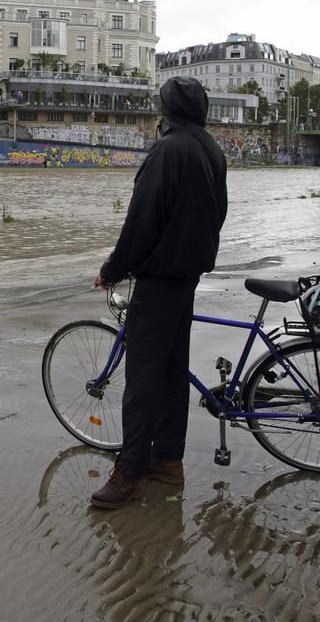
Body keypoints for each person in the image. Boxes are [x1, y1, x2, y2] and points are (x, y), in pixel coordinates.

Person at [90, 76, 228, 510]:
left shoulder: (168, 151)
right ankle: (168, 461)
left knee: (143, 381)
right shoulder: (210, 147)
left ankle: (129, 471)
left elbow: (141, 221)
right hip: (187, 275)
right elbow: (218, 212)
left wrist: (113, 269)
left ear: (165, 111)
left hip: (160, 278)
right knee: (171, 375)